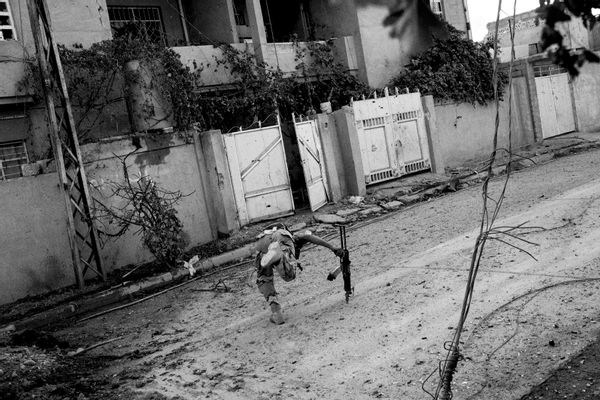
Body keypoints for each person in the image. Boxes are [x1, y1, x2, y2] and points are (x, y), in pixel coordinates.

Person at [253, 223, 344, 325]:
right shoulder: (293, 237)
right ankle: (279, 258)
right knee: (289, 276)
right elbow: (309, 236)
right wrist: (332, 248)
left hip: (261, 242)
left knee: (264, 279)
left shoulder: (269, 235)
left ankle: (277, 314)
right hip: (280, 237)